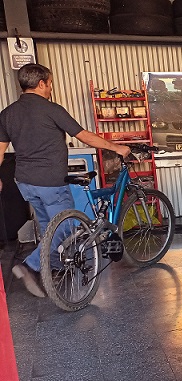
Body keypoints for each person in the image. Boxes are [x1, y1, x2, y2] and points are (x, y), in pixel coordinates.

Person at [0, 63, 130, 297]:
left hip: (25, 182)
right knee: (64, 228)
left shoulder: (8, 113)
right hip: (50, 181)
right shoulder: (51, 109)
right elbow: (85, 136)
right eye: (50, 83)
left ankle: (54, 267)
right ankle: (30, 266)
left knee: (48, 226)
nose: (51, 88)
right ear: (41, 84)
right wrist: (116, 147)